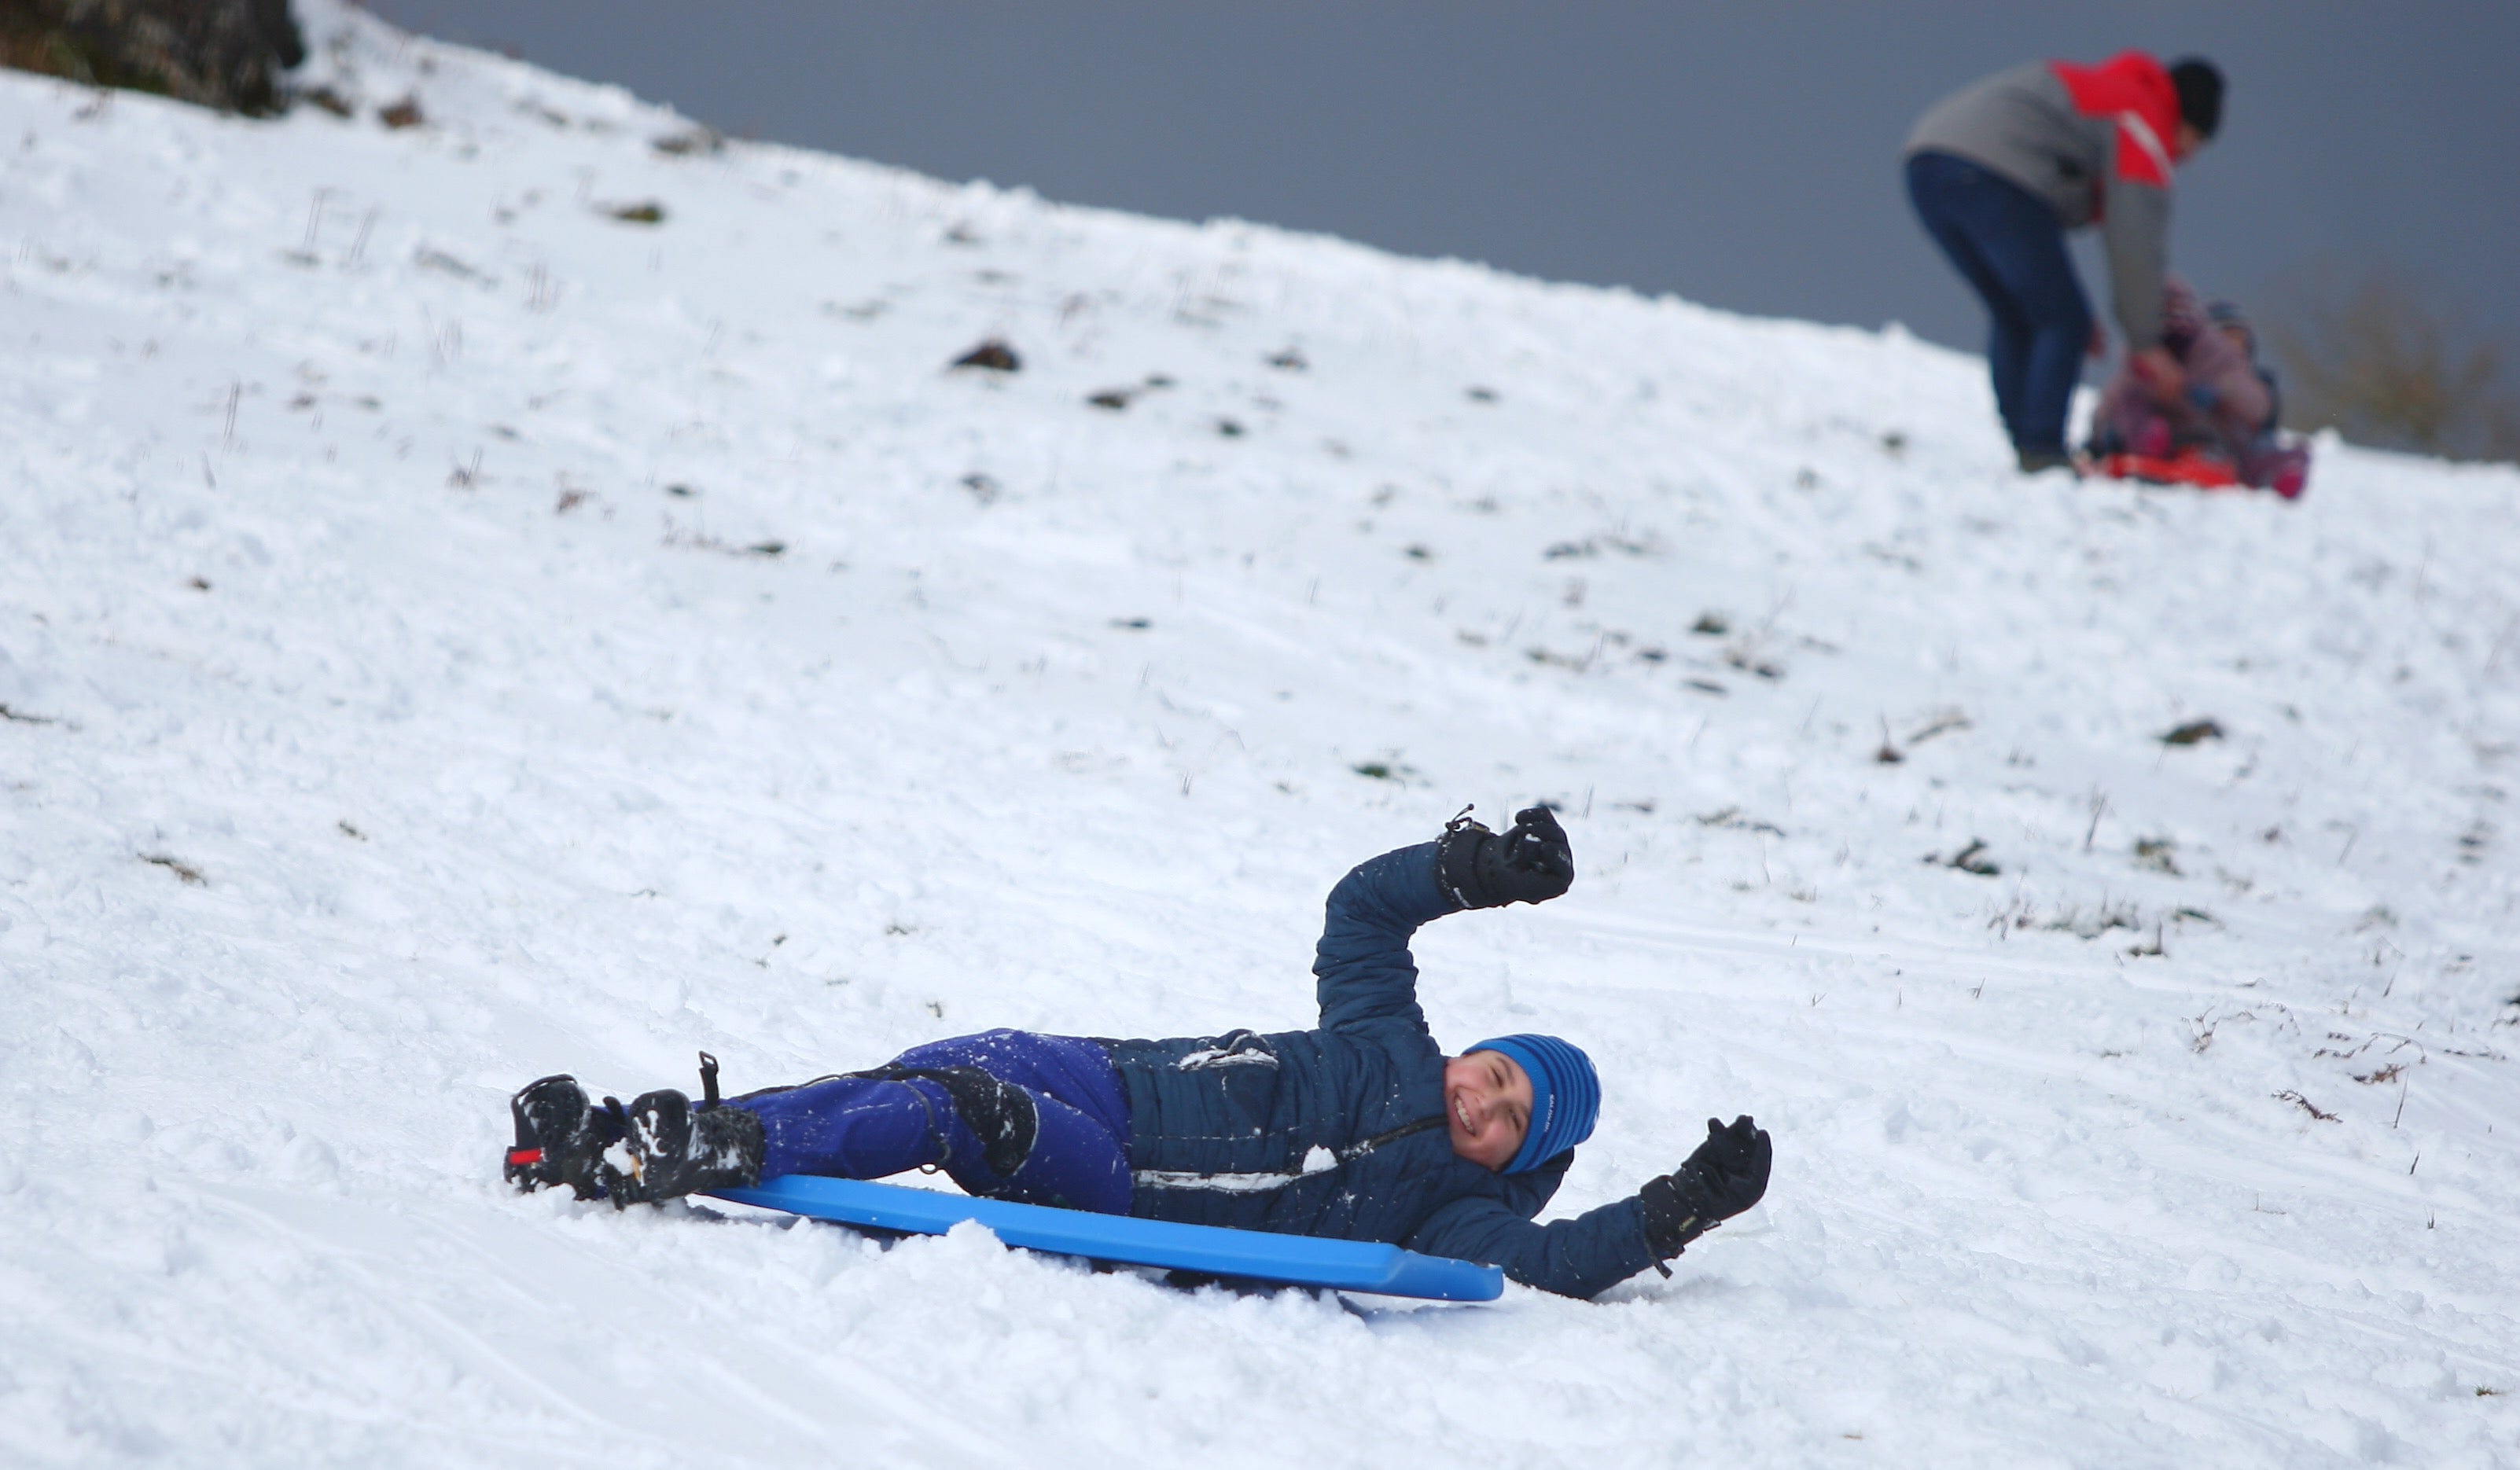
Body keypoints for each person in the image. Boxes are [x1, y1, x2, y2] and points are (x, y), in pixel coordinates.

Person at [504, 807, 1773, 1300]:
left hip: (1112, 1174)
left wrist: (1679, 1211)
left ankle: (695, 1142)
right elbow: (1363, 913)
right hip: (1098, 1072)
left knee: (970, 1112)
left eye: (1506, 1111)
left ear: (1521, 1152)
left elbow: (1555, 1262)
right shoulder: (1389, 1041)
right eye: (1492, 1067)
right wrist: (1474, 873)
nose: (1477, 1096)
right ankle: (650, 1132)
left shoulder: (1456, 1214)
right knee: (959, 1060)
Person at [1904, 51, 2227, 474]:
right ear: (2185, 120)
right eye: (2194, 142)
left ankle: (2029, 444)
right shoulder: (2142, 115)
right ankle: (2042, 453)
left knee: (2021, 313)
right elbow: (2135, 238)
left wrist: (2069, 306)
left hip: (1928, 163)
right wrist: (2147, 342)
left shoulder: (2099, 99)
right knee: (2059, 322)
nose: (2187, 156)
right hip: (1990, 173)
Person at [2086, 280, 2309, 497]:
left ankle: (2274, 470)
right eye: (2227, 340)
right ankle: (2145, 441)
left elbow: (2258, 409)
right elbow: (2119, 396)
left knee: (2249, 443)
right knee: (2133, 406)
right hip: (2157, 430)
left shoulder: (2241, 373)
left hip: (2212, 441)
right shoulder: (2164, 357)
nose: (2237, 350)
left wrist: (2226, 393)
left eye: (2242, 344)